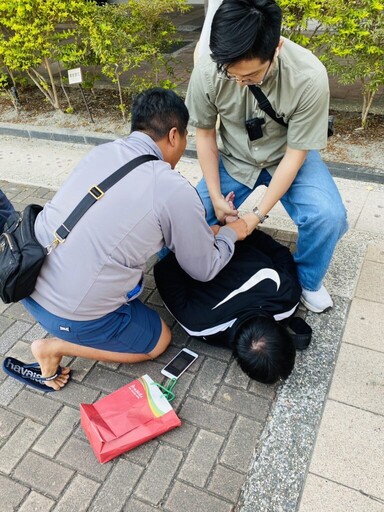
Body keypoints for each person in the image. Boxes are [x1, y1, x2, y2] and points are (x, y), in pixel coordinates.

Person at [3, 88, 248, 391]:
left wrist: (207, 230)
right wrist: (231, 233)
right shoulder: (171, 187)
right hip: (66, 315)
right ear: (174, 135)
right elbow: (204, 268)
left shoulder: (103, 152)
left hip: (27, 281)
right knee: (158, 341)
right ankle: (54, 348)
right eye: (186, 137)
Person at [185, 0, 348, 313]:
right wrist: (217, 197)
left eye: (252, 76)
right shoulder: (209, 67)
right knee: (184, 217)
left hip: (286, 157)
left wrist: (255, 216)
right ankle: (194, 275)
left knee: (328, 216)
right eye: (233, 76)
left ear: (277, 48)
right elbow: (205, 134)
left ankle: (307, 280)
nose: (242, 82)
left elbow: (296, 153)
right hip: (233, 157)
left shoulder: (309, 75)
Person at [154, 228, 302, 384]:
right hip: (188, 238)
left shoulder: (288, 297)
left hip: (222, 230)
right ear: (238, 359)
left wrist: (229, 231)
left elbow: (279, 252)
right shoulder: (199, 324)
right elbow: (163, 270)